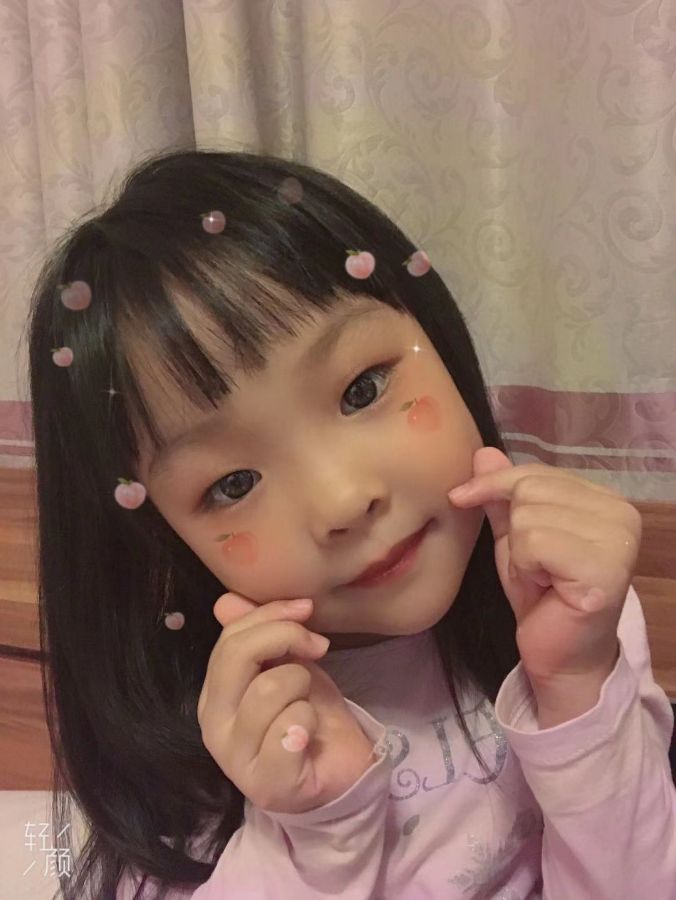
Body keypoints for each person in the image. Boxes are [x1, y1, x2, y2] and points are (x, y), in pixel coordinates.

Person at [24, 149, 675, 900]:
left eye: (362, 389)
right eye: (233, 484)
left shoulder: (571, 617)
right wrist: (314, 841)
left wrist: (577, 691)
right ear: (165, 545)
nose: (341, 500)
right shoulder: (210, 748)